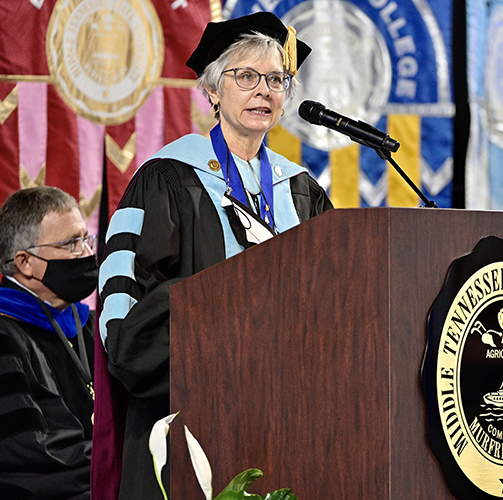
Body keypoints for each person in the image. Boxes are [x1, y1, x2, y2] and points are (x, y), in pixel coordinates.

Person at [95, 12, 333, 499]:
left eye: (276, 79)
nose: (263, 90)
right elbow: (126, 310)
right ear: (212, 91)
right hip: (188, 419)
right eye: (245, 77)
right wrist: (227, 317)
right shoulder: (166, 178)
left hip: (290, 418)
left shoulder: (304, 191)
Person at [0, 186, 98, 499]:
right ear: (25, 262)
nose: (86, 254)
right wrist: (114, 461)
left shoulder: (91, 325)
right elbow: (25, 448)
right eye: (71, 244)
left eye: (85, 239)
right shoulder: (4, 335)